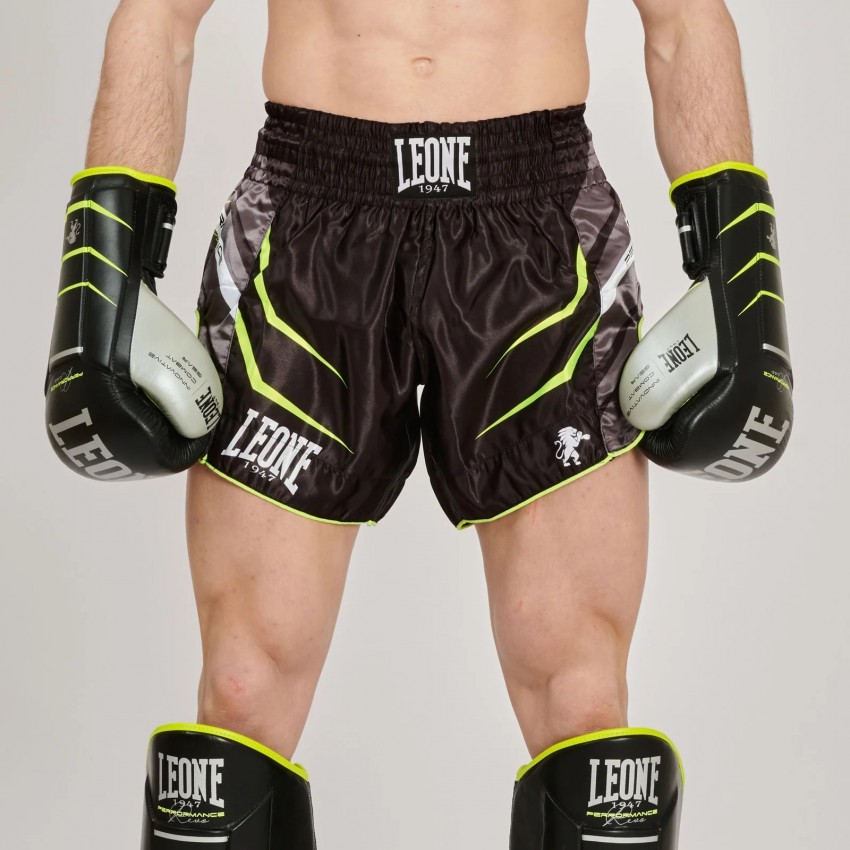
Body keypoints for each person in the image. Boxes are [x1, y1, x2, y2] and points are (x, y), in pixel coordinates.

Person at [45, 1, 793, 846]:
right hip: (308, 226)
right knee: (242, 693)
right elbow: (161, 15)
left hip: (538, 234)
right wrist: (104, 259)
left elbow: (683, 20)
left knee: (582, 703)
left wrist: (740, 260)